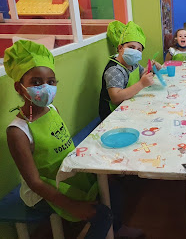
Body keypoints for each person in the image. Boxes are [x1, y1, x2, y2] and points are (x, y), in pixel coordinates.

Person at [4, 40, 112, 238]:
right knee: (102, 214)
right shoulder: (18, 131)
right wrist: (72, 205)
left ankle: (116, 228)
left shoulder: (53, 110)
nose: (45, 88)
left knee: (111, 184)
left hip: (64, 175)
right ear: (20, 88)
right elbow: (35, 182)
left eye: (51, 82)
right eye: (36, 82)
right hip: (41, 193)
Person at [99, 21, 160, 121]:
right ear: (120, 48)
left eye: (139, 49)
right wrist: (141, 84)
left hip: (130, 106)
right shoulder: (114, 70)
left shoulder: (133, 63)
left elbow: (141, 73)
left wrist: (151, 69)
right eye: (131, 47)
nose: (135, 51)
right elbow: (116, 98)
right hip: (113, 116)